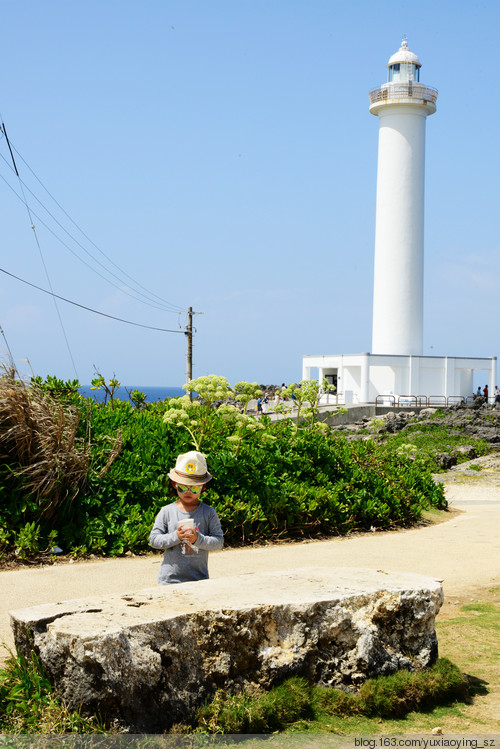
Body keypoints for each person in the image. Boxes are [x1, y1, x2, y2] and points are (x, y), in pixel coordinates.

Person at [149, 451, 223, 585]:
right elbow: (154, 540)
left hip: (199, 579)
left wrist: (198, 539)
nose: (188, 492)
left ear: (203, 487)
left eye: (194, 489)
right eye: (182, 487)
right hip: (169, 580)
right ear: (174, 484)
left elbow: (218, 542)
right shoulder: (166, 511)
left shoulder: (209, 512)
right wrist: (176, 537)